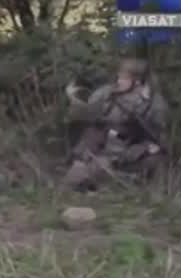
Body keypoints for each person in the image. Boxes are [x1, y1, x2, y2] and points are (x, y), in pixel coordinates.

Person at [62, 57, 169, 191]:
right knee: (80, 170)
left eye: (124, 78)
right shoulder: (106, 93)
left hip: (130, 152)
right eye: (119, 77)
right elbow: (88, 114)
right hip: (101, 145)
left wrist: (146, 148)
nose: (119, 81)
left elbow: (159, 136)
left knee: (154, 160)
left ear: (137, 81)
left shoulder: (155, 104)